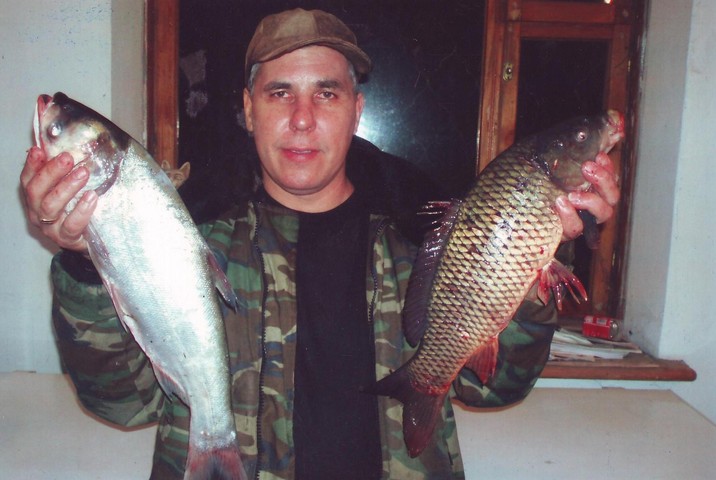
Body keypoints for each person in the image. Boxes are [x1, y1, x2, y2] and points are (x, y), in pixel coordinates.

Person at [20, 8, 620, 480]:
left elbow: (495, 386)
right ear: (248, 109)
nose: (303, 118)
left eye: (327, 93)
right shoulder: (186, 244)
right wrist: (85, 262)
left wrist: (538, 254)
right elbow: (120, 401)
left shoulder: (427, 242)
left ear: (357, 111)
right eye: (279, 92)